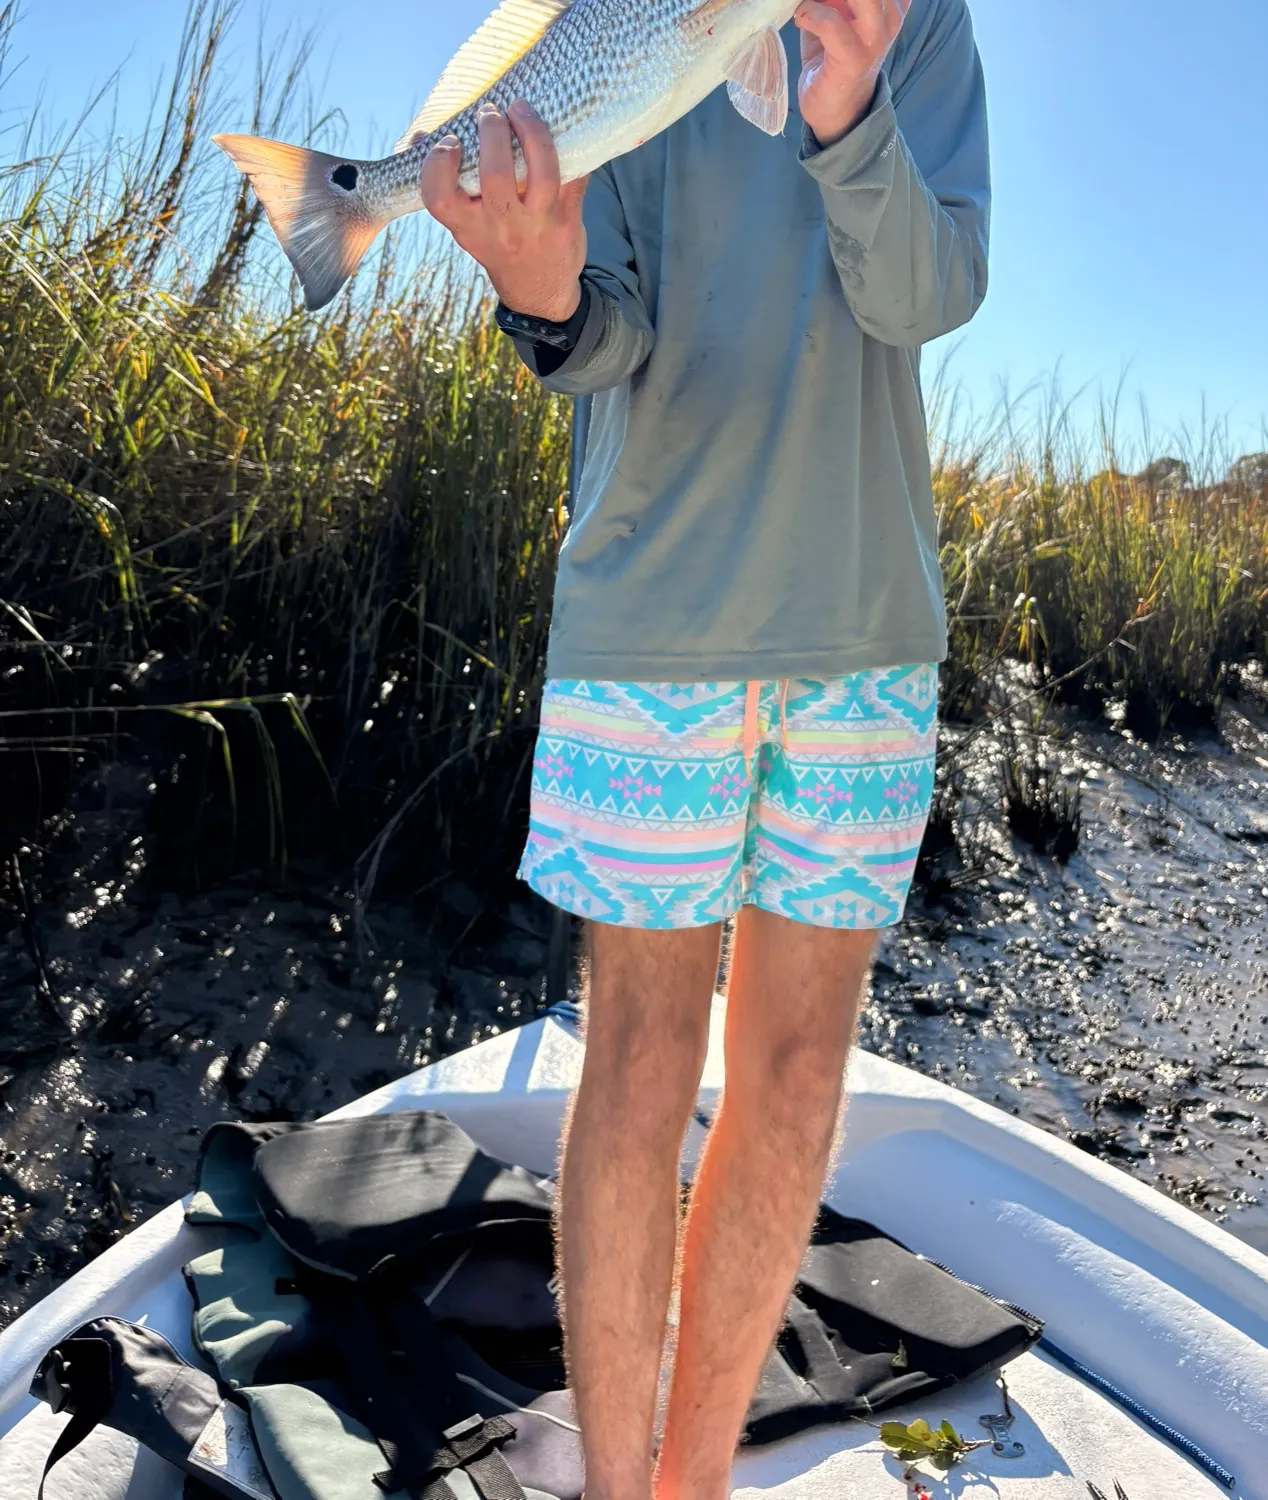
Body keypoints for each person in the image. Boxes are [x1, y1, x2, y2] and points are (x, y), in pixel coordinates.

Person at [420, 0, 989, 1494]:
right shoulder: (607, 25)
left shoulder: (923, 21)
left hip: (863, 626)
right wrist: (539, 287)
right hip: (651, 629)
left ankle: (695, 1478)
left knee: (798, 1073)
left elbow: (931, 293)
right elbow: (599, 339)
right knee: (640, 1059)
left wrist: (852, 111)